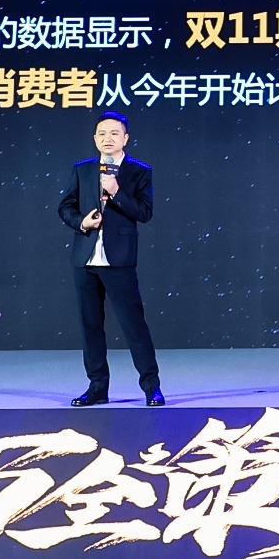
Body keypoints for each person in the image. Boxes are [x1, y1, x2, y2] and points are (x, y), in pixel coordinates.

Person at [59, 111, 160, 406]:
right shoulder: (83, 170)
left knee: (134, 325)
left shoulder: (139, 171)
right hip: (86, 259)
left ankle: (151, 387)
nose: (108, 138)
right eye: (102, 133)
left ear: (125, 138)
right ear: (95, 138)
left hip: (119, 259)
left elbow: (145, 212)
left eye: (114, 133)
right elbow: (65, 207)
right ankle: (97, 387)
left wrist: (116, 192)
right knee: (90, 326)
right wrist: (81, 222)